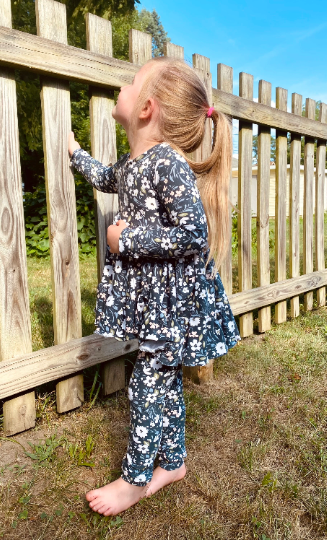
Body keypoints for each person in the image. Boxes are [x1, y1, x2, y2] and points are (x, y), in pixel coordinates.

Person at [68, 56, 241, 517]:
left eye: (130, 82)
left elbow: (192, 235)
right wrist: (74, 154)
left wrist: (127, 238)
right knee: (162, 381)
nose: (120, 88)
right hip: (155, 302)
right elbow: (109, 179)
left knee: (147, 383)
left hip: (172, 304)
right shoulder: (134, 162)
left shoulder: (167, 163)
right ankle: (174, 464)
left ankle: (135, 478)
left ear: (147, 108)